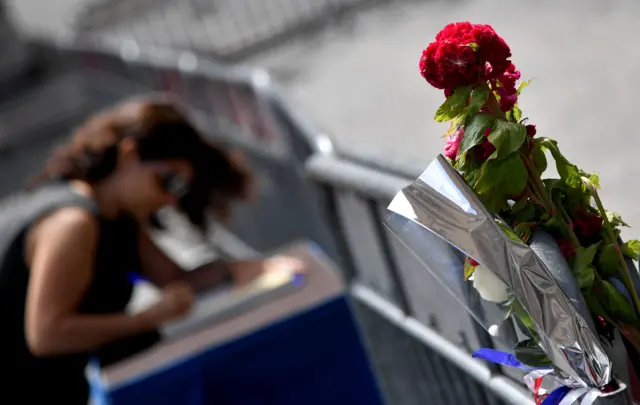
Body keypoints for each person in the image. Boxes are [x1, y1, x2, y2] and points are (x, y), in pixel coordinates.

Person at [0, 97, 302, 404]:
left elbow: (175, 279)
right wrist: (145, 320)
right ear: (129, 154)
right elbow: (47, 334)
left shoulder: (117, 217)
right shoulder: (72, 223)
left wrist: (255, 269)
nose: (170, 199)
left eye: (180, 188)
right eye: (167, 180)